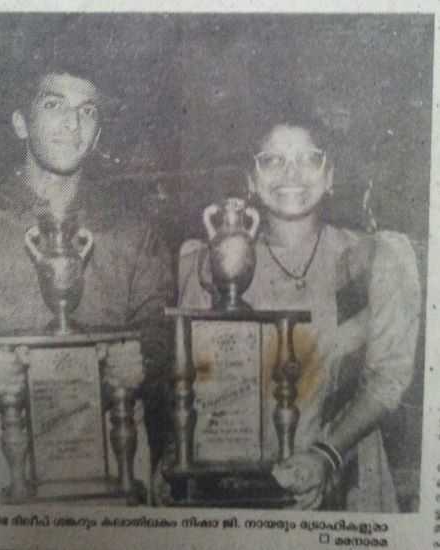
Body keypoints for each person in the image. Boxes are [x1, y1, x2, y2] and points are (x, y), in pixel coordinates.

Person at [0, 57, 172, 502]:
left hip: (119, 451)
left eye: (88, 111)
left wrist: (144, 360)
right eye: (54, 105)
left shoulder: (134, 232)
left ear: (97, 135)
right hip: (5, 456)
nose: (73, 124)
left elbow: (164, 332)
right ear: (21, 122)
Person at [174, 112, 421, 511]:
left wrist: (325, 456)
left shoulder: (372, 260)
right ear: (251, 182)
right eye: (273, 160)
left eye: (308, 158)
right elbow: (188, 382)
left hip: (345, 477)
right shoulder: (216, 265)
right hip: (239, 487)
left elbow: (388, 380)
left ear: (330, 176)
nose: (291, 173)